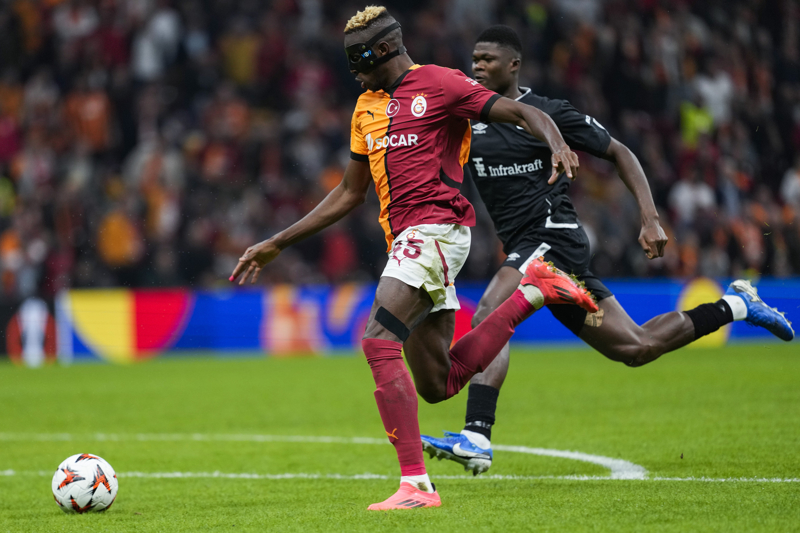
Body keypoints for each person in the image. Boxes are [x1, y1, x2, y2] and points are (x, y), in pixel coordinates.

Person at [229, 7, 598, 510]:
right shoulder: (365, 108)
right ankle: (535, 291)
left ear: (383, 49)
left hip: (437, 227)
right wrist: (279, 241)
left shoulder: (442, 84)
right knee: (438, 383)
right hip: (407, 237)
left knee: (377, 341)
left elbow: (520, 112)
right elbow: (349, 192)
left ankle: (416, 486)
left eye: (358, 59)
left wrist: (556, 142)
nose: (353, 71)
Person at [421, 25, 795, 475]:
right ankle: (736, 305)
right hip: (529, 248)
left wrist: (650, 218)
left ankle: (477, 435)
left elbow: (621, 153)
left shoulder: (549, 112)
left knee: (490, 311)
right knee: (636, 347)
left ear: (514, 64)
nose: (477, 66)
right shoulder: (466, 119)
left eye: (487, 59)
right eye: (474, 59)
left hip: (553, 237)